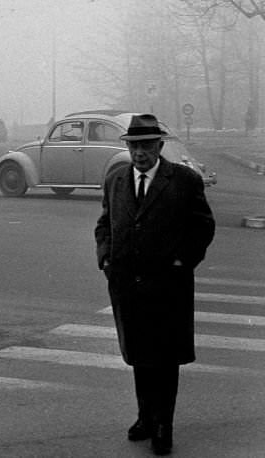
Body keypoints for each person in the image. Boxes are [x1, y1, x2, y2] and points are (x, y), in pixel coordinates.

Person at [94, 114, 215, 456]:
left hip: (167, 287)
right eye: (134, 146)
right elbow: (104, 224)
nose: (140, 153)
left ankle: (164, 425)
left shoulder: (183, 180)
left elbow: (203, 227)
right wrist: (105, 258)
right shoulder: (116, 180)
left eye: (147, 145)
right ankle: (144, 418)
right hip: (127, 285)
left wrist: (181, 262)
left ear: (160, 146)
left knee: (165, 359)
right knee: (139, 356)